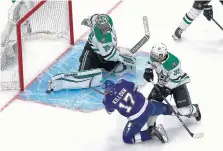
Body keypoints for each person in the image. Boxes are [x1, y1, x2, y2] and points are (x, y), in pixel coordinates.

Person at [46, 14, 136, 93]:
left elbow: (94, 17)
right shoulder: (101, 40)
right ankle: (57, 82)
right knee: (82, 76)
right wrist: (122, 57)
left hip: (105, 55)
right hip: (91, 54)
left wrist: (88, 20)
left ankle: (115, 66)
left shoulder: (103, 19)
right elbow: (110, 55)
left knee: (119, 68)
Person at [102, 79, 173, 144]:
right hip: (149, 107)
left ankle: (151, 133)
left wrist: (109, 97)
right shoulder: (122, 83)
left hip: (138, 119)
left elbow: (109, 112)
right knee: (165, 108)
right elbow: (135, 87)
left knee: (127, 138)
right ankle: (176, 111)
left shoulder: (107, 101)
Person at [143, 43, 201, 121]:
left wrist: (166, 89)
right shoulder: (154, 56)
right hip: (162, 83)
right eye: (155, 56)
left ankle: (194, 109)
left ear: (164, 54)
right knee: (151, 104)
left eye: (159, 56)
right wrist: (148, 70)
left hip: (177, 85)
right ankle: (152, 126)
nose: (156, 58)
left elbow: (175, 81)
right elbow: (150, 63)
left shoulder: (173, 62)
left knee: (183, 111)